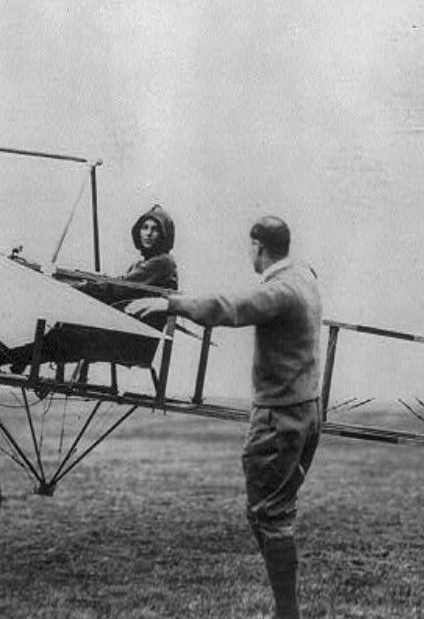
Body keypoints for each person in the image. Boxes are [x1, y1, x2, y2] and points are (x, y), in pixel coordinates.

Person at [126, 215, 322, 619]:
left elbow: (231, 307)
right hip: (304, 411)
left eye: (250, 249)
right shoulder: (305, 277)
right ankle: (288, 611)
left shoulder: (282, 289)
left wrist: (170, 304)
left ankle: (288, 614)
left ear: (258, 247)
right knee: (271, 512)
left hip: (279, 419)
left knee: (269, 516)